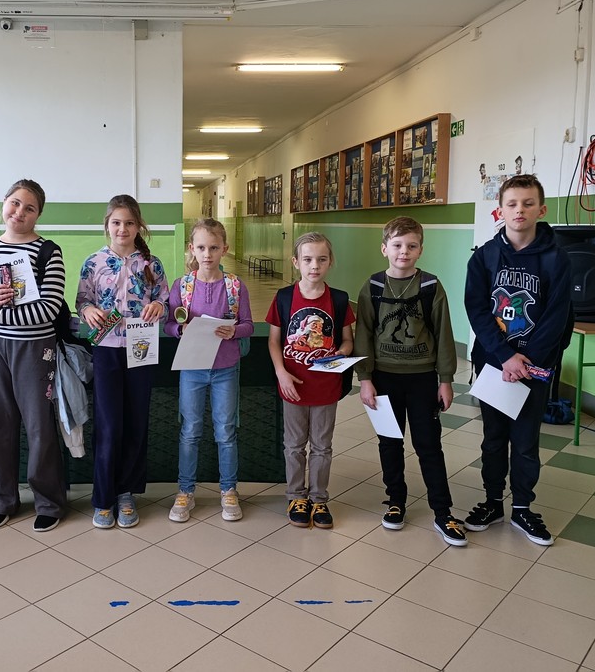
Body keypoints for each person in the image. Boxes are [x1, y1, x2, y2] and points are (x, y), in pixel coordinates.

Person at [464, 174, 572, 546]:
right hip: (494, 363)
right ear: (500, 210)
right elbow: (477, 310)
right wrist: (507, 356)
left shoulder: (557, 259)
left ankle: (523, 508)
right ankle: (493, 502)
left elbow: (558, 316)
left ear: (541, 209)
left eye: (528, 203)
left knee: (525, 440)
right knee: (493, 438)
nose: (519, 210)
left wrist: (526, 362)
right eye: (512, 204)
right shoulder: (484, 256)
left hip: (533, 367)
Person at [0, 179, 67, 533]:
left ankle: (49, 502)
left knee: (39, 425)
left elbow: (49, 309)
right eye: (15, 203)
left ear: (38, 215)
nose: (20, 212)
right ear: (4, 203)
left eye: (30, 208)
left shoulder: (48, 251)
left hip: (35, 348)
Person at [355, 216, 465, 546]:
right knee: (390, 442)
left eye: (412, 246)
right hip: (383, 379)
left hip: (422, 379)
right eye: (398, 245)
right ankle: (395, 502)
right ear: (384, 248)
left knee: (429, 445)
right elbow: (363, 335)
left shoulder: (431, 286)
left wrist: (446, 379)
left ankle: (443, 511)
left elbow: (443, 334)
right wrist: (365, 378)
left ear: (420, 250)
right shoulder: (373, 287)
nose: (404, 251)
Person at [77, 195, 169, 529]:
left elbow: (164, 300)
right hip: (106, 349)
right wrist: (88, 310)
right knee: (108, 423)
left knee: (135, 420)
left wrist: (159, 307)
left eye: (129, 223)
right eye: (116, 222)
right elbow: (82, 301)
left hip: (142, 347)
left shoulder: (152, 264)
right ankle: (103, 498)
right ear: (108, 225)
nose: (123, 229)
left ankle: (126, 492)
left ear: (138, 226)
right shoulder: (93, 262)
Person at [164, 218, 254, 523]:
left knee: (225, 431)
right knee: (190, 431)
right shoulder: (182, 286)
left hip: (225, 368)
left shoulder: (235, 286)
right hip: (192, 368)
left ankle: (228, 489)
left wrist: (235, 331)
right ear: (192, 248)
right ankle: (185, 490)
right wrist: (180, 329)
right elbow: (169, 324)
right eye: (201, 247)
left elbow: (248, 324)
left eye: (214, 248)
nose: (207, 254)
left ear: (224, 249)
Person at [266, 232, 354, 530]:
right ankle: (295, 497)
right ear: (296, 262)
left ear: (330, 262)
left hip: (326, 387)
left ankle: (318, 498)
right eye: (307, 259)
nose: (314, 265)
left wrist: (341, 353)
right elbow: (274, 341)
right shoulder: (284, 297)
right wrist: (281, 372)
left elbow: (347, 341)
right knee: (293, 445)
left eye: (321, 259)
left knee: (322, 446)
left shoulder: (339, 299)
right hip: (292, 384)